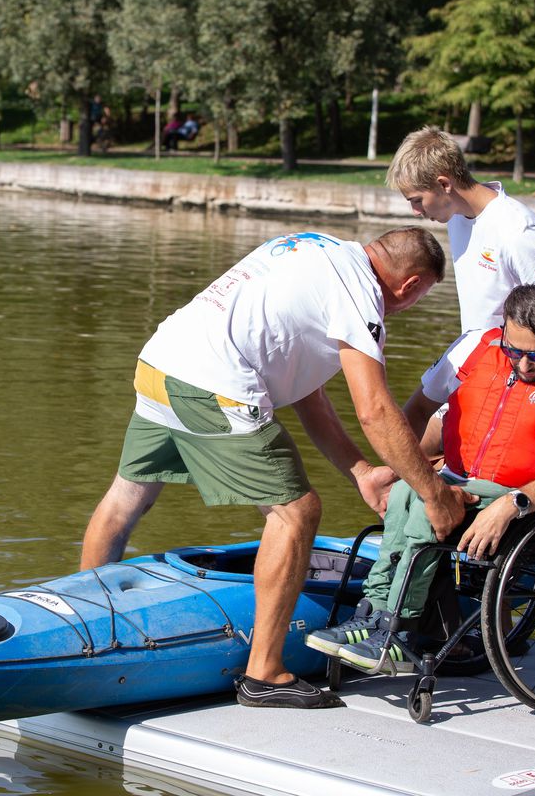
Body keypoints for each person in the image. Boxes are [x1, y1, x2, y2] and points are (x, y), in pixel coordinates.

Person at [80, 226, 476, 710]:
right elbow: (374, 410)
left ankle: (86, 627)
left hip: (162, 361)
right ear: (411, 285)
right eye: (419, 298)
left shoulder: (315, 245)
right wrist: (434, 494)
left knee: (127, 498)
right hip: (213, 383)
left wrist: (361, 472)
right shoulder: (360, 296)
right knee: (298, 512)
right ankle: (264, 673)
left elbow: (306, 389)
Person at [305, 285, 535, 674]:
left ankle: (400, 629)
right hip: (460, 479)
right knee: (406, 491)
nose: (523, 366)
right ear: (502, 328)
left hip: (529, 503)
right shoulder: (472, 347)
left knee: (425, 503)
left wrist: (510, 505)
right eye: (513, 351)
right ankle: (372, 613)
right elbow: (418, 410)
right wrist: (405, 465)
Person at [386, 126, 535, 347]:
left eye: (416, 200)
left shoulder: (518, 230)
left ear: (444, 184)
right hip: (478, 361)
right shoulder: (456, 217)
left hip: (519, 368)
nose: (415, 211)